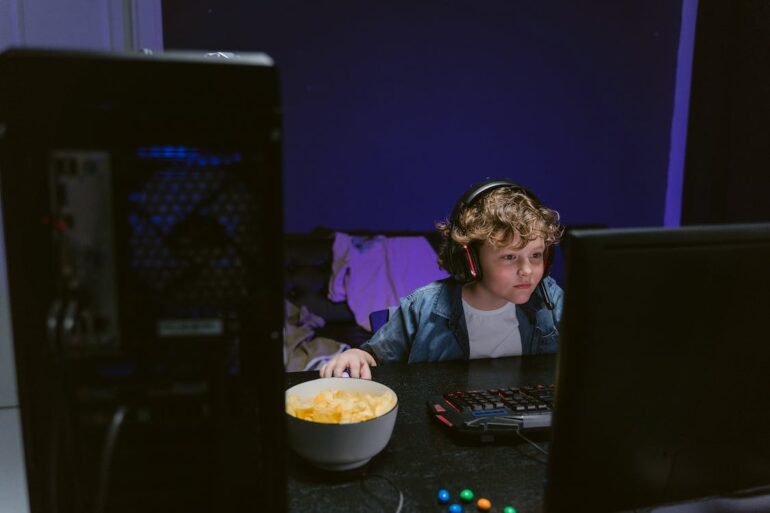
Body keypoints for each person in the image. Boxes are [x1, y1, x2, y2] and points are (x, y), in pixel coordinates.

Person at [319, 178, 564, 379]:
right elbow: (373, 357)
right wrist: (356, 356)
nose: (528, 270)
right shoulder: (423, 307)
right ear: (471, 260)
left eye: (536, 255)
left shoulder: (549, 298)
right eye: (509, 257)